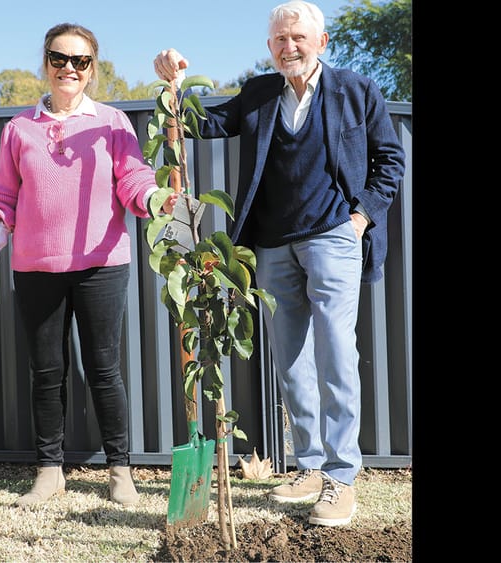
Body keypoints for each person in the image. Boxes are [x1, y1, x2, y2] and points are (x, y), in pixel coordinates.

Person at [153, 1, 405, 527]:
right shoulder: (260, 92)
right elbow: (201, 124)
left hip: (333, 237)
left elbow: (390, 160)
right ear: (269, 48)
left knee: (337, 352)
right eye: (278, 40)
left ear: (322, 41)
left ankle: (341, 477)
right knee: (291, 358)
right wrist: (174, 84)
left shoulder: (357, 91)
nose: (288, 47)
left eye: (297, 38)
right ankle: (309, 466)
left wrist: (359, 220)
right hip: (271, 245)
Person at [0, 22, 178, 509]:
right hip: (37, 268)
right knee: (46, 372)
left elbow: (134, 180)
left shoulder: (112, 124)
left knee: (104, 369)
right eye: (60, 58)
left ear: (92, 69)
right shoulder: (19, 129)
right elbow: (0, 204)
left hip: (102, 265)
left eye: (80, 61)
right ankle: (49, 471)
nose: (69, 69)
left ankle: (120, 471)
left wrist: (156, 199)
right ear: (47, 62)